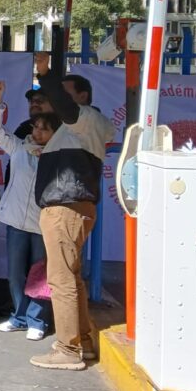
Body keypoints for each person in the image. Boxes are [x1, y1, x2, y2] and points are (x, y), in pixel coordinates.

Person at [29, 54, 115, 371]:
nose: (56, 99)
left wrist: (45, 74)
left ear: (81, 97)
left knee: (61, 279)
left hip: (65, 207)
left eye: (64, 93)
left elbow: (64, 108)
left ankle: (67, 349)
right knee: (72, 278)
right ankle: (84, 341)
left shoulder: (83, 119)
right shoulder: (77, 128)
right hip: (72, 206)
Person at [0, 80, 62, 341]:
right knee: (15, 274)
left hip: (42, 225)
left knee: (40, 276)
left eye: (44, 129)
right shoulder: (19, 147)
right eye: (36, 127)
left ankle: (37, 321)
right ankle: (18, 317)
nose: (38, 132)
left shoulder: (60, 153)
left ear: (54, 133)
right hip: (17, 222)